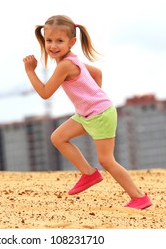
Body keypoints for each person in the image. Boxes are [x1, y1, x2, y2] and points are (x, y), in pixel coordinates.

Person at [23, 15, 152, 209]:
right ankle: (89, 174)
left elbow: (45, 93)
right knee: (58, 137)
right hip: (89, 113)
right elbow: (97, 73)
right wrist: (92, 98)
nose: (53, 46)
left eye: (59, 41)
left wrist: (30, 71)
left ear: (72, 42)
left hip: (99, 114)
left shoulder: (66, 65)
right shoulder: (70, 61)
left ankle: (139, 197)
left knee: (107, 160)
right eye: (49, 40)